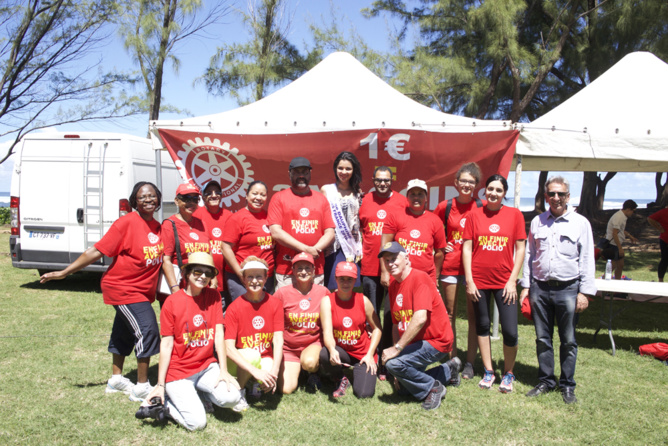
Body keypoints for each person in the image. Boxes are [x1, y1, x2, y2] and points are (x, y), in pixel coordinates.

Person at [40, 182, 164, 402]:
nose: (148, 200)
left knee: (124, 331)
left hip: (142, 290)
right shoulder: (126, 223)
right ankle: (142, 387)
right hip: (123, 288)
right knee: (147, 330)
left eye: (152, 196)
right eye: (142, 197)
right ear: (134, 201)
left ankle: (116, 380)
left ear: (159, 199)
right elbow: (96, 250)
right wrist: (65, 272)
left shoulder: (157, 227)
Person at [142, 252, 241, 430]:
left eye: (208, 273)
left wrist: (224, 370)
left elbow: (219, 334)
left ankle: (200, 395)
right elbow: (166, 344)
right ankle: (165, 404)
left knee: (232, 397)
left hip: (206, 366)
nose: (203, 276)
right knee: (197, 424)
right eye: (197, 271)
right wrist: (160, 384)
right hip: (179, 372)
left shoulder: (214, 296)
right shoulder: (171, 302)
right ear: (187, 274)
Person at [520, 176, 595, 404]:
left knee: (568, 340)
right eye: (551, 194)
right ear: (546, 197)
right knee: (543, 338)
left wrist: (585, 293)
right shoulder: (538, 222)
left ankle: (567, 385)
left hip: (568, 289)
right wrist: (526, 286)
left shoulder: (580, 223)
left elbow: (587, 258)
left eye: (560, 194)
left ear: (568, 196)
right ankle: (546, 380)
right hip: (540, 288)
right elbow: (530, 255)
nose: (556, 198)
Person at [462, 174, 526, 393]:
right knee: (482, 326)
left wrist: (512, 281)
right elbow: (467, 248)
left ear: (504, 193)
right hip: (479, 281)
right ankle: (489, 371)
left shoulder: (515, 215)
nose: (493, 193)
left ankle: (508, 373)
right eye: (490, 189)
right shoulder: (474, 215)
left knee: (510, 331)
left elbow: (520, 249)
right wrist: (469, 280)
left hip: (505, 283)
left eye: (498, 190)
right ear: (485, 190)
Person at [379, 242, 460, 411]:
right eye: (386, 260)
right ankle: (448, 370)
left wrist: (397, 350)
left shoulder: (420, 278)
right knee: (402, 388)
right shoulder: (393, 286)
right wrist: (397, 353)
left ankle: (434, 388)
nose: (390, 263)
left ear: (406, 258)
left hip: (437, 341)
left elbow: (420, 318)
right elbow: (396, 324)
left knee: (393, 365)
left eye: (394, 258)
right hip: (417, 342)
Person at [434, 162, 485, 377]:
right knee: (450, 314)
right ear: (456, 183)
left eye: (470, 182)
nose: (466, 185)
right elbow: (433, 229)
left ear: (476, 185)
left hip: (474, 269)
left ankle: (470, 363)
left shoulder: (481, 206)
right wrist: (441, 243)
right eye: (463, 181)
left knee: (474, 316)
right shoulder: (445, 206)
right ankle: (452, 360)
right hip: (450, 266)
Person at [358, 166, 408, 377]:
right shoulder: (364, 200)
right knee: (371, 316)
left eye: (386, 180)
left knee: (391, 315)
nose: (382, 183)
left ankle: (388, 357)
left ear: (392, 181)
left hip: (393, 269)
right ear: (373, 180)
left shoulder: (402, 201)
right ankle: (371, 355)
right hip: (369, 267)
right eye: (379, 180)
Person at [224, 256, 284, 411]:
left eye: (259, 276)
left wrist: (275, 372)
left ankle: (253, 383)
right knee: (252, 355)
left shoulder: (275, 304)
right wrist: (255, 371)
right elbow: (228, 348)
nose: (255, 281)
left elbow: (278, 340)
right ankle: (239, 392)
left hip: (264, 356)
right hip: (239, 361)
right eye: (250, 277)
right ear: (243, 279)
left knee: (268, 370)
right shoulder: (234, 307)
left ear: (266, 278)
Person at [268, 157, 335, 290]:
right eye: (297, 172)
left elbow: (330, 232)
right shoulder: (279, 198)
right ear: (289, 173)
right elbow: (275, 232)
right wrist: (306, 250)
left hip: (315, 268)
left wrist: (315, 250)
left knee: (316, 303)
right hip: (287, 269)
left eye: (305, 172)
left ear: (310, 173)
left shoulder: (321, 199)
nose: (301, 176)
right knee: (286, 303)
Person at [319, 262, 382, 398]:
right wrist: (332, 349)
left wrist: (370, 354)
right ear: (335, 279)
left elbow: (377, 329)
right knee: (325, 354)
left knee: (364, 394)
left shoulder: (363, 300)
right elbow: (327, 332)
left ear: (355, 280)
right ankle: (340, 378)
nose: (345, 283)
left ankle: (360, 370)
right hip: (342, 351)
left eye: (350, 279)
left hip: (362, 353)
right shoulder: (327, 301)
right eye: (342, 279)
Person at [274, 252, 329, 394]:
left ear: (314, 271)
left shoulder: (323, 292)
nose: (303, 272)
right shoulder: (282, 293)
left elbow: (333, 317)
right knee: (286, 389)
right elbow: (271, 317)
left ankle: (312, 371)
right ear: (293, 271)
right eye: (299, 268)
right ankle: (299, 371)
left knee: (309, 362)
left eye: (307, 268)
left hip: (312, 343)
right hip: (289, 348)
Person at [381, 179, 446, 284]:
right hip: (399, 276)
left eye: (420, 194)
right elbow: (385, 246)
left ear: (426, 198)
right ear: (407, 197)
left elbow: (439, 253)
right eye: (412, 194)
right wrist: (384, 272)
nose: (416, 197)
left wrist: (436, 276)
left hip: (425, 277)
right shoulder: (395, 216)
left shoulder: (435, 220)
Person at [222, 181, 275, 303]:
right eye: (254, 194)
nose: (258, 198)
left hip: (266, 277)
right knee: (245, 310)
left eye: (262, 195)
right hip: (241, 278)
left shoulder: (269, 217)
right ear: (246, 195)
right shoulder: (237, 218)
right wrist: (241, 274)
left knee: (263, 311)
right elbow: (225, 248)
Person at [160, 183, 210, 303]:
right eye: (186, 198)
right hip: (180, 286)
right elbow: (166, 260)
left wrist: (212, 280)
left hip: (200, 285)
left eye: (195, 199)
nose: (191, 203)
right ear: (176, 201)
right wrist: (175, 288)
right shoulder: (169, 224)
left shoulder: (202, 223)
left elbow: (208, 253)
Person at [321, 151, 364, 290]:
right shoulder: (327, 190)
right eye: (340, 168)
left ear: (354, 170)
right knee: (333, 286)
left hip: (352, 246)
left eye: (348, 169)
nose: (343, 172)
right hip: (332, 246)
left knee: (350, 287)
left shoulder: (358, 192)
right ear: (335, 169)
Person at [193, 180, 231, 307]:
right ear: (203, 197)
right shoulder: (196, 216)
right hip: (204, 279)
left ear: (221, 195)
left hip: (226, 279)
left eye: (217, 192)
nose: (213, 195)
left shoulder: (229, 216)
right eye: (209, 193)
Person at [599, 199, 638, 279]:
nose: (633, 213)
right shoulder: (619, 217)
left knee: (620, 265)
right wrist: (620, 248)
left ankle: (617, 282)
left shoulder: (622, 216)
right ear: (628, 209)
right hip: (613, 245)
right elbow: (614, 233)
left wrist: (630, 236)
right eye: (633, 211)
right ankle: (604, 280)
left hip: (615, 244)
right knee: (612, 266)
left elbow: (621, 230)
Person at [648, 204, 668, 281]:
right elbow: (650, 219)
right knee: (664, 260)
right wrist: (659, 228)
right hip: (665, 240)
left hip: (664, 238)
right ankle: (660, 280)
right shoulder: (663, 212)